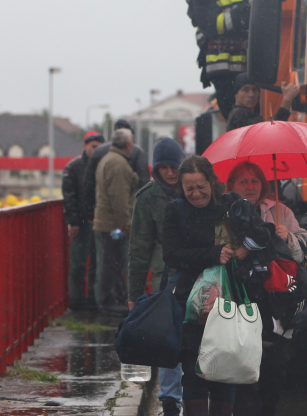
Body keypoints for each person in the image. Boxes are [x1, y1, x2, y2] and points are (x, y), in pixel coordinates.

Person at [161, 156, 295, 416]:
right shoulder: (175, 211)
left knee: (227, 373)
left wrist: (245, 248)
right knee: (194, 372)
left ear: (212, 182)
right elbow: (171, 255)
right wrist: (213, 254)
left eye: (201, 186)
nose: (196, 193)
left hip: (233, 300)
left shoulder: (232, 204)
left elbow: (264, 233)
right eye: (189, 188)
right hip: (193, 305)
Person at [127, 137, 186, 416]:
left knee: (196, 337)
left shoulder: (196, 189)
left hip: (200, 272)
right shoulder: (147, 198)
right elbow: (139, 249)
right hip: (166, 277)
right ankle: (170, 399)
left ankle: (193, 395)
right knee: (168, 336)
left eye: (174, 166)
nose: (170, 173)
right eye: (163, 167)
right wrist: (134, 294)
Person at [190, 0, 261, 118]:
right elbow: (209, 25)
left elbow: (258, 17)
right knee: (231, 114)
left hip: (246, 61)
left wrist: (229, 21)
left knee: (254, 113)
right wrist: (240, 15)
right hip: (220, 68)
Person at [93, 128, 138, 314]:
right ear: (127, 144)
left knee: (109, 262)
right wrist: (125, 225)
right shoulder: (118, 164)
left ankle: (110, 298)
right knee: (111, 263)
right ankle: (108, 300)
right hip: (113, 225)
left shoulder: (108, 159)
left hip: (107, 221)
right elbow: (119, 198)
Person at [227, 161, 306, 263]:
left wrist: (288, 238)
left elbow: (300, 256)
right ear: (232, 186)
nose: (250, 187)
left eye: (255, 181)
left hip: (275, 272)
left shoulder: (281, 211)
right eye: (243, 182)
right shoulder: (224, 211)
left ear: (262, 185)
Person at [63, 130, 104, 311]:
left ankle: (92, 299)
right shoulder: (74, 167)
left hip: (97, 221)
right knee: (79, 263)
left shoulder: (98, 165)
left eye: (99, 147)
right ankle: (77, 300)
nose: (95, 150)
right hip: (82, 222)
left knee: (96, 261)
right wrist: (73, 222)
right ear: (85, 146)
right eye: (93, 147)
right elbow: (69, 196)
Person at [84, 119, 149, 222]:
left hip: (102, 214)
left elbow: (88, 184)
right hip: (128, 215)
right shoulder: (137, 153)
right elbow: (144, 185)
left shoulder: (98, 152)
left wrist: (89, 213)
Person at [224, 73, 299, 133]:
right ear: (236, 93)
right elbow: (272, 130)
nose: (251, 94)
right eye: (245, 90)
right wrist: (287, 100)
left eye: (254, 90)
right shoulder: (240, 114)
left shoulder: (237, 113)